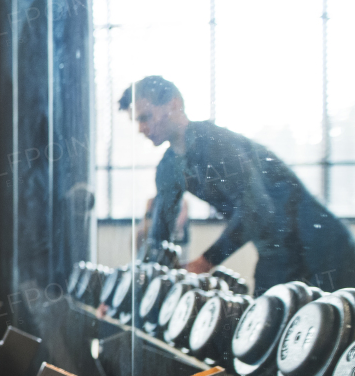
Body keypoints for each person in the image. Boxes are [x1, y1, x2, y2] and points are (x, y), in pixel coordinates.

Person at [122, 75, 355, 293]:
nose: (141, 129)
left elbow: (257, 209)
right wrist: (130, 290)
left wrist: (205, 262)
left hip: (324, 248)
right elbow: (159, 237)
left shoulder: (216, 143)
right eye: (137, 121)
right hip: (276, 250)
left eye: (145, 117)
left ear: (174, 104)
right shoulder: (168, 168)